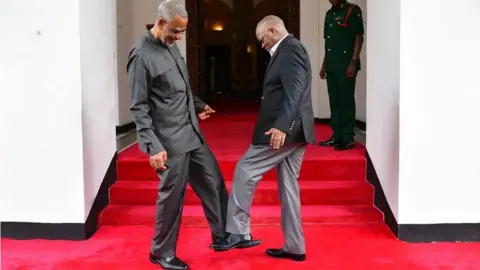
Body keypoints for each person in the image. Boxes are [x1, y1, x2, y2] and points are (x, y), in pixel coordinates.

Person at [126, 1, 228, 269]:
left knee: (213, 181)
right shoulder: (141, 56)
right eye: (175, 31)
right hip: (169, 141)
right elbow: (139, 106)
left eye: (182, 32)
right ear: (160, 23)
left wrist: (198, 105)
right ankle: (161, 251)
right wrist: (152, 146)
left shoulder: (171, 47)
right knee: (172, 197)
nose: (179, 37)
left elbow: (179, 87)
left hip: (191, 131)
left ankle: (223, 235)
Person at [210, 15, 315, 262]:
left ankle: (238, 232)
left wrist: (282, 127)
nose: (262, 44)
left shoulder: (291, 49)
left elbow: (295, 91)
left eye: (263, 38)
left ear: (273, 29)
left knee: (245, 169)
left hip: (284, 132)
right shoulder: (286, 51)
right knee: (289, 188)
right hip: (295, 131)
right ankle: (295, 246)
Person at [318, 0, 364, 150]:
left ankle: (347, 138)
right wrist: (324, 65)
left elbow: (358, 37)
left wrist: (353, 61)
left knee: (346, 100)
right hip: (332, 64)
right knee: (335, 101)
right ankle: (337, 136)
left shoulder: (352, 10)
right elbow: (329, 44)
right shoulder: (329, 15)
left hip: (346, 64)